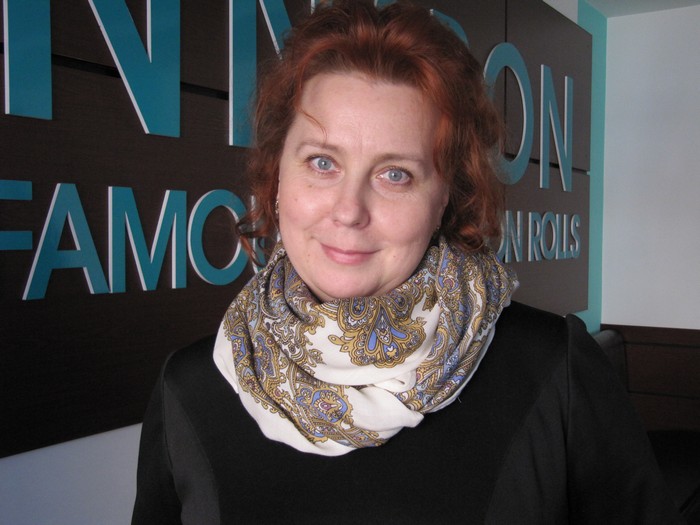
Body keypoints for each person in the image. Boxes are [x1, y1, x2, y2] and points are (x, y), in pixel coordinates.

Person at [132, 1, 683, 523]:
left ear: (445, 197)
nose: (349, 210)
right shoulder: (192, 388)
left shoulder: (552, 370)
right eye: (322, 163)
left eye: (395, 174)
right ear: (278, 176)